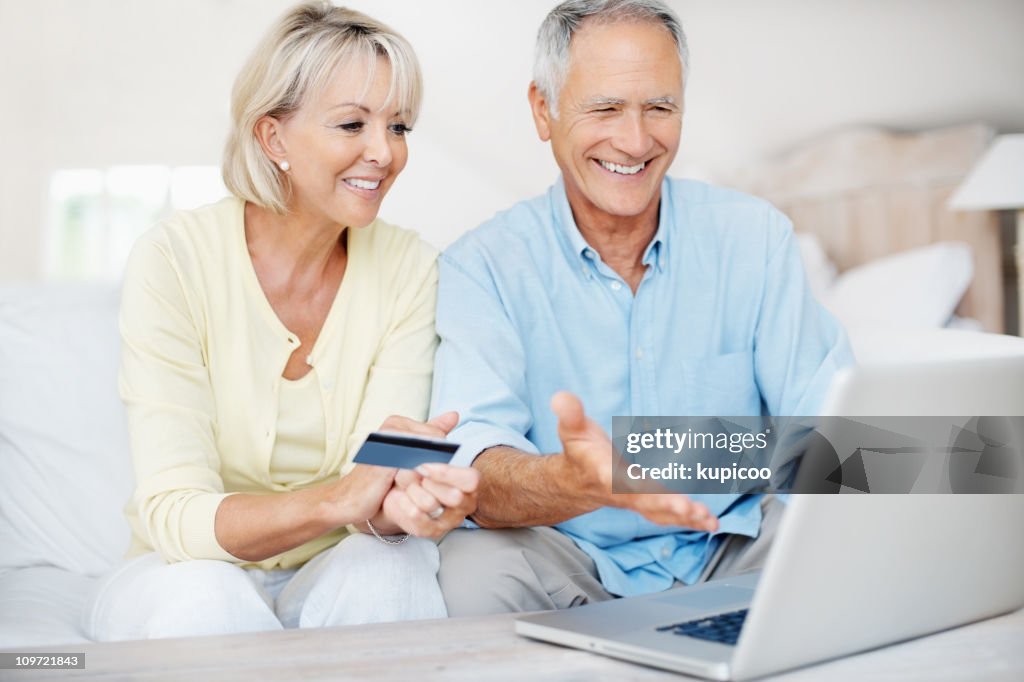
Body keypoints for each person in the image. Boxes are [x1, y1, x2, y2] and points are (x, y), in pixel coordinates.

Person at [431, 0, 853, 615]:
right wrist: (574, 482)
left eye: (660, 108)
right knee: (468, 569)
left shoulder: (755, 238)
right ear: (542, 109)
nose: (635, 140)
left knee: (842, 527)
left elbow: (830, 432)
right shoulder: (480, 266)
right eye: (604, 108)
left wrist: (640, 460)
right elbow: (476, 471)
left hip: (734, 544)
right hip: (568, 555)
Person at [83, 1, 478, 641]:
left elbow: (373, 490)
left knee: (393, 572)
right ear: (273, 138)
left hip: (331, 569)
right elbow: (174, 512)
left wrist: (409, 502)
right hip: (183, 569)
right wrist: (338, 497)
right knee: (206, 603)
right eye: (352, 124)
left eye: (399, 127)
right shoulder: (174, 259)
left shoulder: (413, 268)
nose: (385, 152)